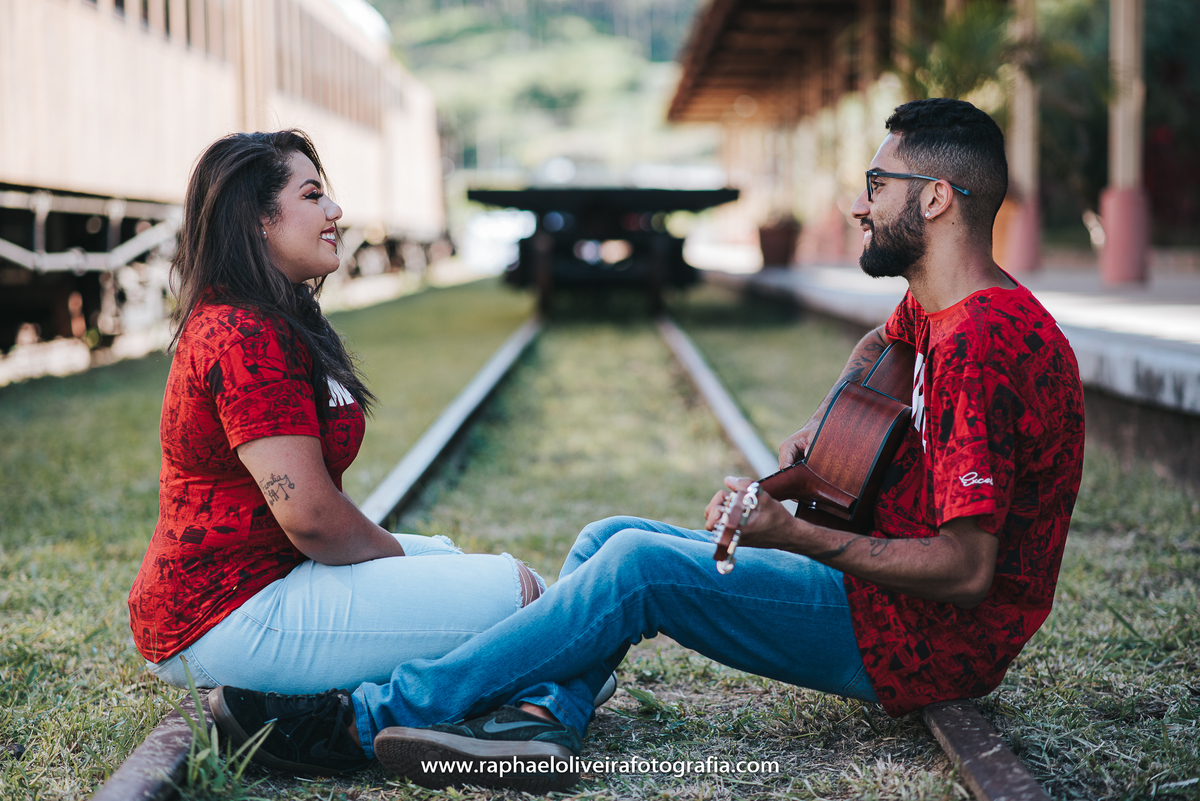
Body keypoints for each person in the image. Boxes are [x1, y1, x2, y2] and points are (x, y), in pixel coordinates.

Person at [208, 99, 1086, 791]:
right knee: (603, 538)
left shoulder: (984, 345)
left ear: (936, 199)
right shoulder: (942, 309)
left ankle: (360, 722)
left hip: (922, 637)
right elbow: (880, 349)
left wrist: (798, 532)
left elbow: (969, 571)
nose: (862, 204)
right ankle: (541, 726)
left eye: (878, 184)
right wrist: (824, 440)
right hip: (876, 593)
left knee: (635, 567)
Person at [127, 130, 549, 696]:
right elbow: (312, 519)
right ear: (257, 219)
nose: (336, 211)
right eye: (312, 196)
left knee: (468, 568)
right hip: (223, 614)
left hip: (272, 579)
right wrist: (397, 562)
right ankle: (498, 700)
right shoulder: (241, 335)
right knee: (518, 594)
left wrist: (410, 565)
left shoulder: (282, 315)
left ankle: (531, 698)